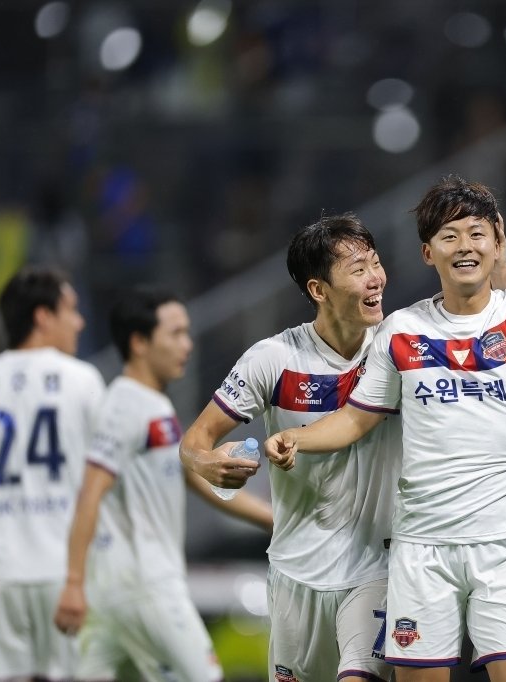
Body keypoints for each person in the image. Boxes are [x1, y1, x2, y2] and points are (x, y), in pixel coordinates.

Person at [265, 70, 506, 682]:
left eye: (477, 233)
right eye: (448, 235)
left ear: (499, 245)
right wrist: (296, 438)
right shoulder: (402, 331)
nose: (464, 244)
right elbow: (358, 418)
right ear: (427, 252)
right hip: (421, 552)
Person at [179, 213, 402, 682]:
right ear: (318, 289)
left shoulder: (397, 346)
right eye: (358, 269)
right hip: (295, 573)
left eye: (375, 263)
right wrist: (208, 464)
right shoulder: (274, 359)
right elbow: (193, 444)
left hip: (377, 567)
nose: (375, 278)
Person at [52, 287, 272, 681]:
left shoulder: (155, 407)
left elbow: (193, 480)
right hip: (146, 584)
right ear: (139, 342)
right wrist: (72, 580)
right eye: (175, 334)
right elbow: (89, 491)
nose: (187, 345)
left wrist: (274, 519)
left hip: (113, 591)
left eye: (187, 332)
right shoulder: (125, 405)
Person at [0, 266, 105, 681]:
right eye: (71, 309)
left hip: (0, 572)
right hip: (68, 571)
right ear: (42, 316)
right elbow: (102, 480)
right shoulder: (84, 381)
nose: (80, 321)